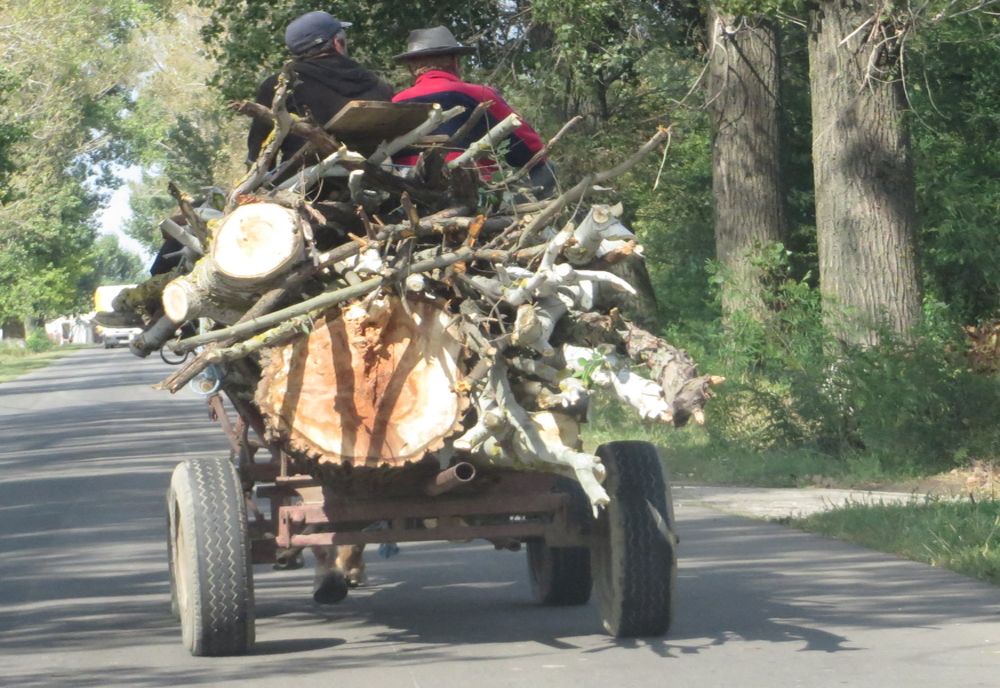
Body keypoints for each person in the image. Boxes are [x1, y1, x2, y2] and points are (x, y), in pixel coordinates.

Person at [391, 26, 555, 196]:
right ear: (454, 61)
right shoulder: (478, 94)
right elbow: (530, 147)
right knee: (545, 167)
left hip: (410, 189)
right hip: (473, 188)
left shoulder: (395, 102)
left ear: (412, 67)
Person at [246, 10, 394, 165]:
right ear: (338, 43)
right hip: (374, 177)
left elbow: (258, 154)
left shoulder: (279, 86)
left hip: (302, 184)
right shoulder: (377, 84)